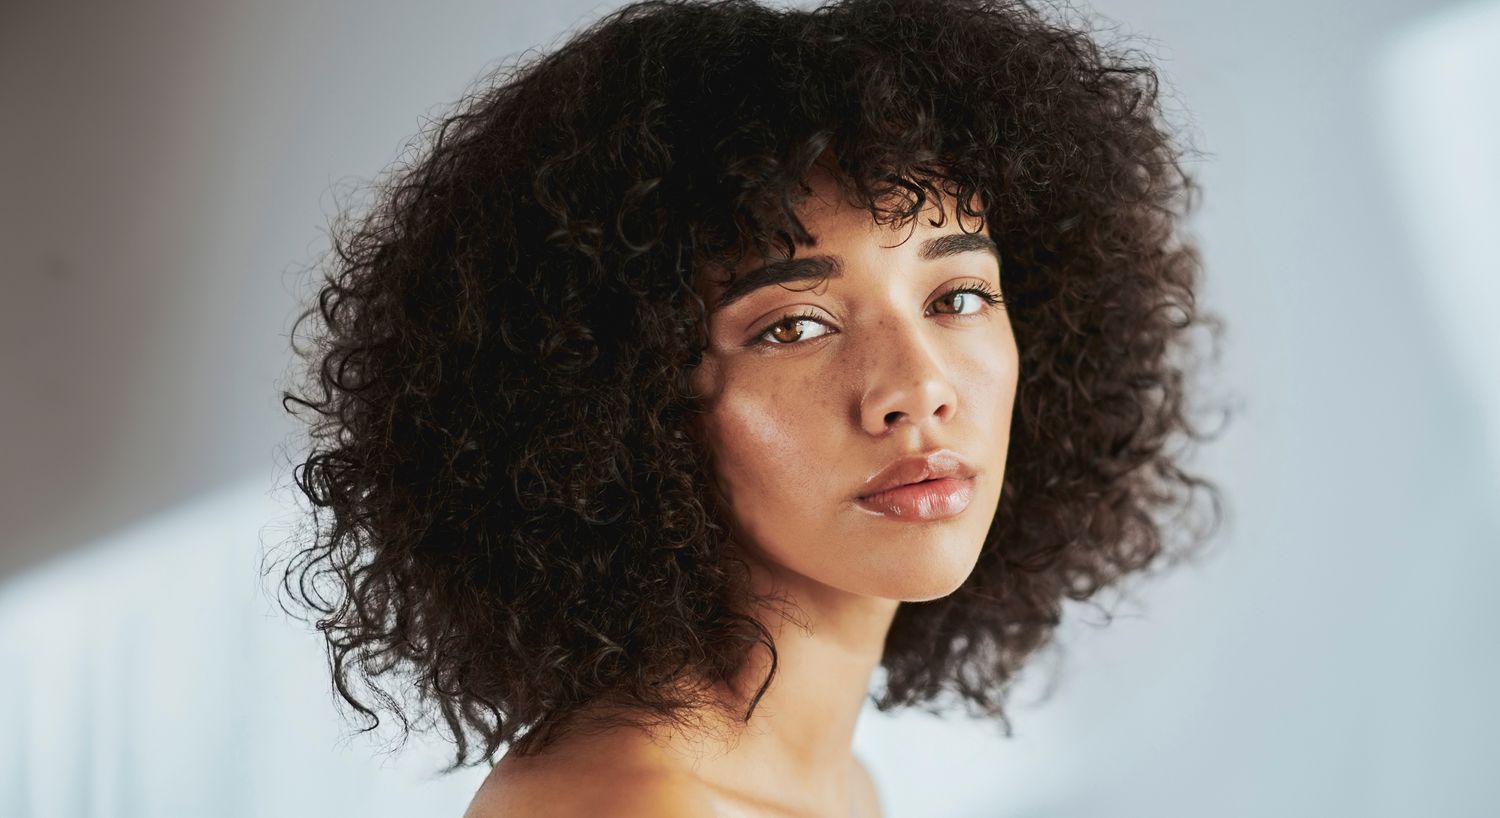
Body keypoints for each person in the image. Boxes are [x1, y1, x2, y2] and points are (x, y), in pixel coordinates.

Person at [273, 0, 1227, 815]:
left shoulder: (829, 787)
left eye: (959, 298)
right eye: (794, 327)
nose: (918, 387)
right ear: (624, 402)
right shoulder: (643, 805)